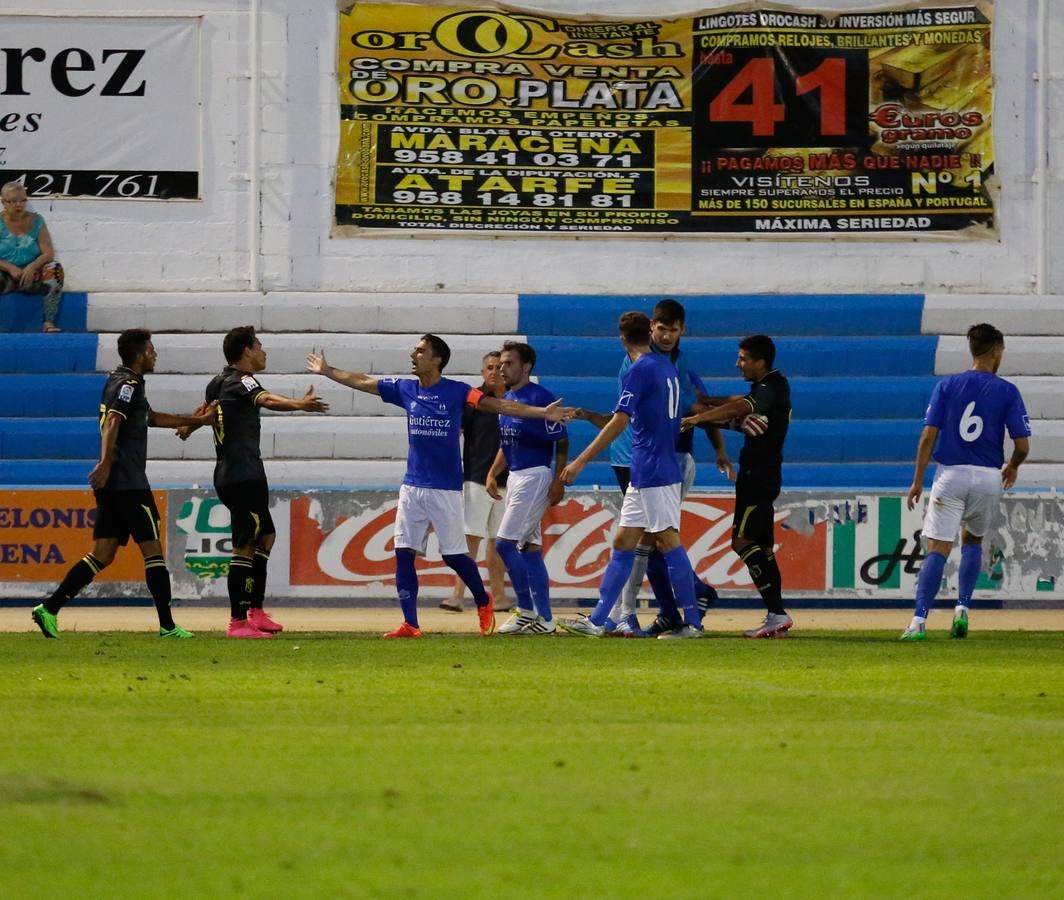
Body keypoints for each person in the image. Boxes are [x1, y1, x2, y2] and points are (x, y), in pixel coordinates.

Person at [306, 335, 574, 638]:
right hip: (412, 486)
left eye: (421, 351)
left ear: (437, 360)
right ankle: (410, 624)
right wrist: (329, 371)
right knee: (403, 552)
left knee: (454, 556)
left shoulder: (458, 392)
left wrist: (542, 413)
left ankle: (485, 600)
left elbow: (498, 405)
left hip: (445, 488)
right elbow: (364, 381)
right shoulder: (405, 389)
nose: (413, 354)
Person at [31, 329, 216, 638]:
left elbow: (149, 418)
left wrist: (196, 421)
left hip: (113, 485)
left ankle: (49, 608)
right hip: (128, 483)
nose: (155, 355)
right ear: (140, 354)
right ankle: (168, 626)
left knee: (101, 554)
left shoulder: (119, 381)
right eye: (152, 350)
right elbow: (113, 421)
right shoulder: (128, 385)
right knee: (153, 553)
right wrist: (105, 463)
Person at [576, 299, 731, 637]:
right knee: (624, 541)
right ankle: (598, 620)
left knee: (667, 541)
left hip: (653, 467)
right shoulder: (666, 367)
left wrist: (581, 459)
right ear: (649, 331)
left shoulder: (640, 370)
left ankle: (692, 622)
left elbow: (619, 421)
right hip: (650, 465)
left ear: (621, 339)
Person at [182, 326, 329, 638]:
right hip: (241, 474)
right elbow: (267, 399)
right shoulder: (243, 380)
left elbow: (207, 411)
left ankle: (256, 611)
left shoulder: (217, 382)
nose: (264, 352)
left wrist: (188, 427)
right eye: (260, 346)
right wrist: (299, 404)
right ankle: (238, 622)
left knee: (267, 536)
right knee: (245, 545)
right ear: (247, 351)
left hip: (236, 473)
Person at [901, 323, 1031, 641]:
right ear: (996, 351)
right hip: (988, 476)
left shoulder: (947, 386)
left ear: (972, 350)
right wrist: (1012, 466)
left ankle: (918, 621)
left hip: (951, 474)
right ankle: (962, 610)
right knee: (972, 542)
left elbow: (927, 436)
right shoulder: (1008, 391)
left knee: (937, 549)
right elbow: (1023, 445)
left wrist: (917, 480)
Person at [682, 334, 792, 638]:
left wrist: (699, 417)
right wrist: (708, 406)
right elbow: (736, 406)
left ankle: (777, 613)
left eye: (743, 358)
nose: (738, 363)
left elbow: (739, 408)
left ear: (760, 361)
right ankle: (776, 615)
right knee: (764, 549)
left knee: (741, 542)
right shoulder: (767, 387)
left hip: (758, 477)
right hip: (762, 475)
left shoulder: (772, 387)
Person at [488, 341, 568, 635]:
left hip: (534, 476)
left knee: (504, 544)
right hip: (516, 477)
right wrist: (493, 473)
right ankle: (545, 620)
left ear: (526, 367)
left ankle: (526, 611)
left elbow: (561, 440)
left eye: (508, 363)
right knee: (530, 548)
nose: (501, 369)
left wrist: (558, 479)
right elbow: (507, 441)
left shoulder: (541, 398)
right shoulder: (508, 400)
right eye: (499, 364)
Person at [440, 351, 511, 614]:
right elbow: (454, 432)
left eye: (497, 367)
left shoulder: (514, 400)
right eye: (489, 367)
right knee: (471, 539)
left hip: (509, 480)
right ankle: (458, 594)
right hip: (477, 478)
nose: (493, 371)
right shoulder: (474, 402)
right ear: (483, 372)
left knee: (498, 542)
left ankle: (500, 596)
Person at [0, 181, 64, 332]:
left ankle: (49, 322)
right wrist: (9, 267)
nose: (19, 205)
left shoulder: (37, 221)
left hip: (31, 277)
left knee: (55, 269)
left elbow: (48, 253)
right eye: (13, 201)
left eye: (23, 200)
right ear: (4, 203)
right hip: (5, 277)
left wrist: (32, 266)